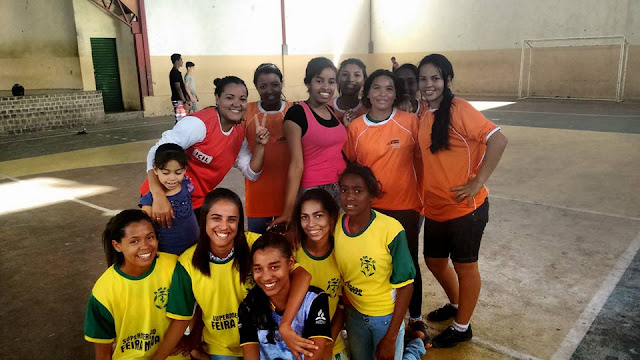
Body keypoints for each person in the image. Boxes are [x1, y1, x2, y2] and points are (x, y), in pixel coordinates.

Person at [151, 188, 316, 360]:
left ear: (239, 223)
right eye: (216, 218)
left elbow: (302, 275)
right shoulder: (187, 262)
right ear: (203, 220)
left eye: (232, 219)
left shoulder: (257, 245)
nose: (224, 226)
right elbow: (181, 319)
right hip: (222, 347)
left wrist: (285, 325)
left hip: (265, 340)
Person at [417, 54, 508, 348]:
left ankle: (462, 326)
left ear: (446, 80)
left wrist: (477, 182)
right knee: (434, 261)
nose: (429, 84)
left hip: (465, 209)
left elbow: (498, 139)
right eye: (423, 79)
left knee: (465, 267)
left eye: (435, 78)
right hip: (435, 207)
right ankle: (457, 304)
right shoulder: (424, 113)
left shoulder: (459, 109)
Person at [343, 69, 426, 332]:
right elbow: (353, 166)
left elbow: (425, 160)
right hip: (371, 209)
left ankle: (415, 318)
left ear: (395, 94)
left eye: (388, 88)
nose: (382, 93)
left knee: (407, 264)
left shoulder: (410, 121)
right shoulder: (355, 128)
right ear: (367, 93)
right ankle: (370, 310)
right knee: (372, 262)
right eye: (376, 88)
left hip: (405, 207)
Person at [142, 76, 270, 226]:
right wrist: (158, 196)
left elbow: (251, 173)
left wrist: (261, 146)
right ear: (217, 99)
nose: (237, 104)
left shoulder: (239, 133)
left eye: (242, 99)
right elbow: (155, 152)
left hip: (195, 203)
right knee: (162, 246)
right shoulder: (199, 124)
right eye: (230, 97)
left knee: (194, 246)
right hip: (165, 197)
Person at [334, 163, 416, 360]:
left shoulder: (391, 230)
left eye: (358, 191)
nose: (349, 197)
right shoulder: (335, 224)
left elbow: (406, 287)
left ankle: (415, 347)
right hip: (354, 315)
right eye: (344, 190)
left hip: (385, 319)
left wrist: (391, 337)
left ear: (371, 195)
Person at [83, 210, 186, 359]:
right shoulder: (103, 291)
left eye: (150, 237)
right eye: (134, 241)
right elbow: (103, 353)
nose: (145, 246)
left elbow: (181, 318)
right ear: (117, 246)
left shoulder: (173, 267)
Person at [270, 57, 347, 229]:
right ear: (308, 83)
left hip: (340, 187)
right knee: (316, 243)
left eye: (331, 81)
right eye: (319, 81)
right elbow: (296, 164)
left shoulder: (331, 111)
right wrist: (288, 210)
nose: (326, 87)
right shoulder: (297, 114)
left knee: (338, 242)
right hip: (314, 190)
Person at [239, 232, 332, 359]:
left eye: (274, 267)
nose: (266, 277)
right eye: (258, 269)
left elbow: (314, 354)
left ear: (290, 263)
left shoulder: (314, 299)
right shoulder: (248, 307)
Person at [290, 189, 348, 360]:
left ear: (332, 218)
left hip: (331, 340)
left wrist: (328, 340)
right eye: (304, 217)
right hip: (294, 341)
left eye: (318, 215)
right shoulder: (292, 253)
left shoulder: (342, 255)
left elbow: (343, 306)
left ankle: (414, 348)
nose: (311, 224)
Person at [243, 63, 293, 233]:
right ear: (256, 87)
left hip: (288, 197)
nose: (270, 91)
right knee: (258, 249)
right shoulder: (246, 112)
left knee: (288, 250)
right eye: (263, 86)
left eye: (274, 84)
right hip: (257, 197)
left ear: (282, 83)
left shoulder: (294, 111)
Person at [139, 143, 199, 255]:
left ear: (185, 170)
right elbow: (145, 229)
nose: (172, 178)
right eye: (166, 173)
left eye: (178, 172)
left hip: (193, 247)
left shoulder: (186, 185)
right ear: (156, 170)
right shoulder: (149, 200)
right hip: (168, 253)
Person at [333, 58, 368, 126]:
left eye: (357, 75)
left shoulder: (368, 110)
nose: (350, 79)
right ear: (337, 78)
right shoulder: (326, 106)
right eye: (345, 74)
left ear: (364, 80)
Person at [169, 54, 191, 123]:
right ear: (176, 61)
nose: (182, 61)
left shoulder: (177, 72)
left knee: (182, 119)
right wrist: (184, 101)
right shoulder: (175, 73)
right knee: (181, 120)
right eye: (181, 60)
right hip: (178, 100)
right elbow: (178, 88)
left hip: (180, 100)